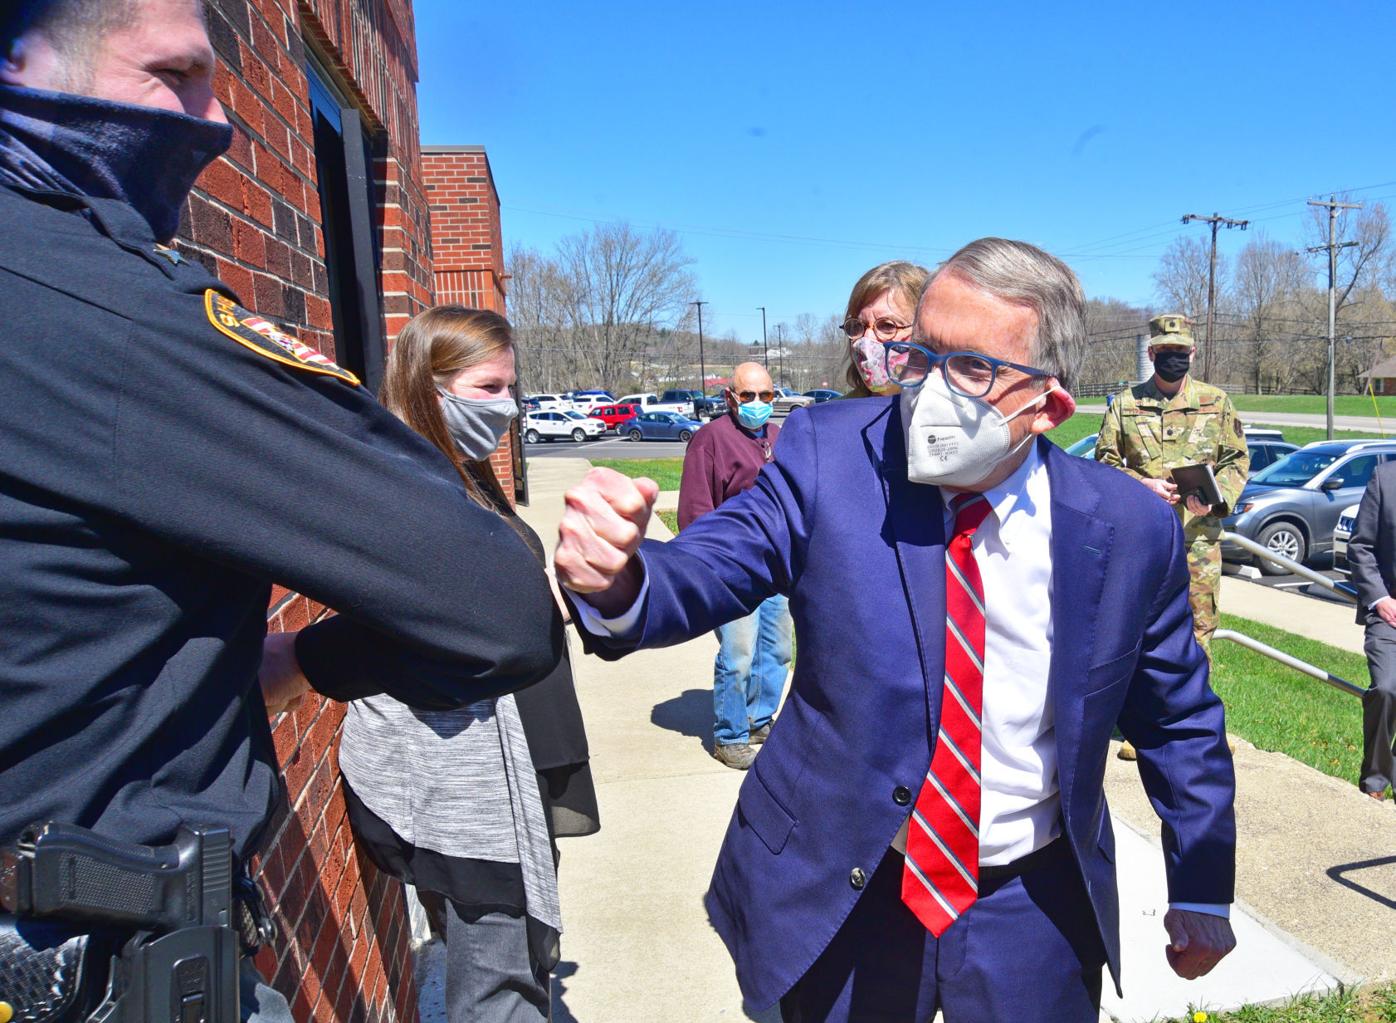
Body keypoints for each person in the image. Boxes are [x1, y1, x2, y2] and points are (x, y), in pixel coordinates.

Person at [0, 2, 561, 1018]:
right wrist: (307, 659)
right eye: (175, 75)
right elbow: (499, 607)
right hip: (98, 960)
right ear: (19, 59)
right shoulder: (107, 315)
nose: (215, 123)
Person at [553, 238, 1237, 1022]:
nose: (929, 389)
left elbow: (1178, 718)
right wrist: (624, 580)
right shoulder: (831, 454)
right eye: (923, 353)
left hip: (1031, 901)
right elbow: (714, 562)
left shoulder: (1131, 527)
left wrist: (1202, 885)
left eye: (971, 367)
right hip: (851, 882)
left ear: (1047, 407)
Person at [298, 306, 597, 1021]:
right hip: (465, 779)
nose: (508, 407)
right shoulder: (401, 489)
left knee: (522, 957)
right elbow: (402, 628)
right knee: (498, 984)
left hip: (519, 748)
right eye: (488, 388)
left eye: (511, 387)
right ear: (427, 389)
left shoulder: (464, 473)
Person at [1095, 314, 1249, 761]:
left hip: (1198, 542)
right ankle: (1142, 726)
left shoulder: (1216, 403)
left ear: (1192, 353)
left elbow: (1237, 461)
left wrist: (1216, 500)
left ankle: (1195, 725)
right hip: (1142, 542)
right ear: (1152, 354)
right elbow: (1103, 463)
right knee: (1140, 630)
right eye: (1165, 352)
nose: (1173, 359)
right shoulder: (1125, 405)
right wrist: (1140, 485)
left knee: (1200, 631)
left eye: (1180, 352)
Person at [679, 361, 793, 770]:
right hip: (732, 567)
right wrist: (708, 567)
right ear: (730, 397)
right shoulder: (710, 439)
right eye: (748, 395)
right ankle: (729, 735)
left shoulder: (779, 437)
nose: (758, 402)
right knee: (739, 652)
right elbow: (695, 509)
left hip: (776, 566)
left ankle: (759, 720)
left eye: (766, 395)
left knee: (776, 650)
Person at [1345, 460, 1396, 804]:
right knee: (1387, 688)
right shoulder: (1385, 478)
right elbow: (1360, 546)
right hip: (1388, 615)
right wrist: (1380, 599)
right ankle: (1375, 779)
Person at [839, 260, 930, 397]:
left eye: (887, 326)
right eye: (857, 326)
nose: (866, 339)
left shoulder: (949, 409)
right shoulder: (839, 409)